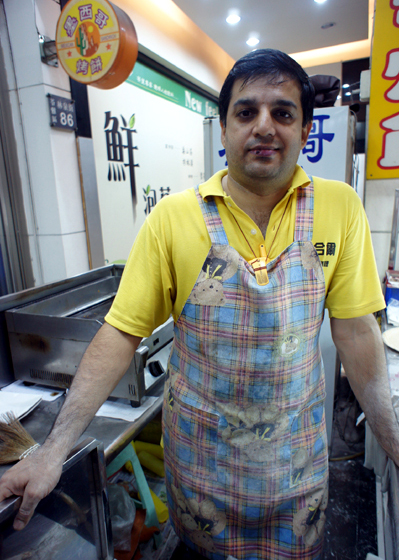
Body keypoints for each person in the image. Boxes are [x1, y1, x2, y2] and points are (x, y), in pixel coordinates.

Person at [0, 48, 397, 560]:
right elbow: (122, 332)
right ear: (225, 127)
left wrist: (392, 441)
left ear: (304, 130)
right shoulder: (175, 217)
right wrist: (52, 451)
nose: (264, 126)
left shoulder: (340, 207)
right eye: (246, 111)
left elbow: (356, 331)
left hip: (293, 475)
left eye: (283, 112)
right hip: (202, 475)